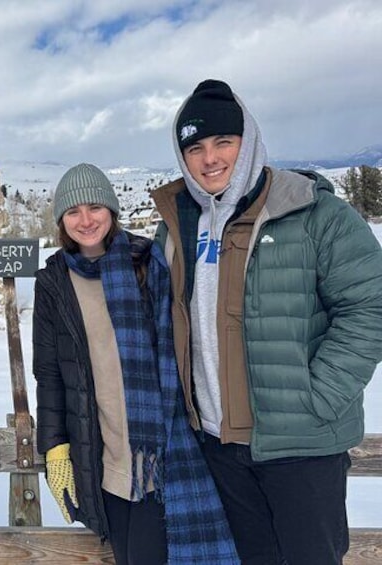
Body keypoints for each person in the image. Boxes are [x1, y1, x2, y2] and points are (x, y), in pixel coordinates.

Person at [151, 79, 382, 565]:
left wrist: (317, 397)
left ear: (248, 141)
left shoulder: (315, 213)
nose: (209, 158)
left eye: (222, 143)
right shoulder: (177, 226)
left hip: (300, 445)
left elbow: (370, 306)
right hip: (220, 443)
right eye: (195, 147)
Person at [33, 163, 239, 565]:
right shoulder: (54, 281)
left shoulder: (148, 263)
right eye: (73, 211)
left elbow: (185, 347)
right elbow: (50, 373)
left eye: (95, 207)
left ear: (112, 210)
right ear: (61, 220)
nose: (86, 220)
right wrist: (55, 446)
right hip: (102, 452)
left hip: (160, 452)